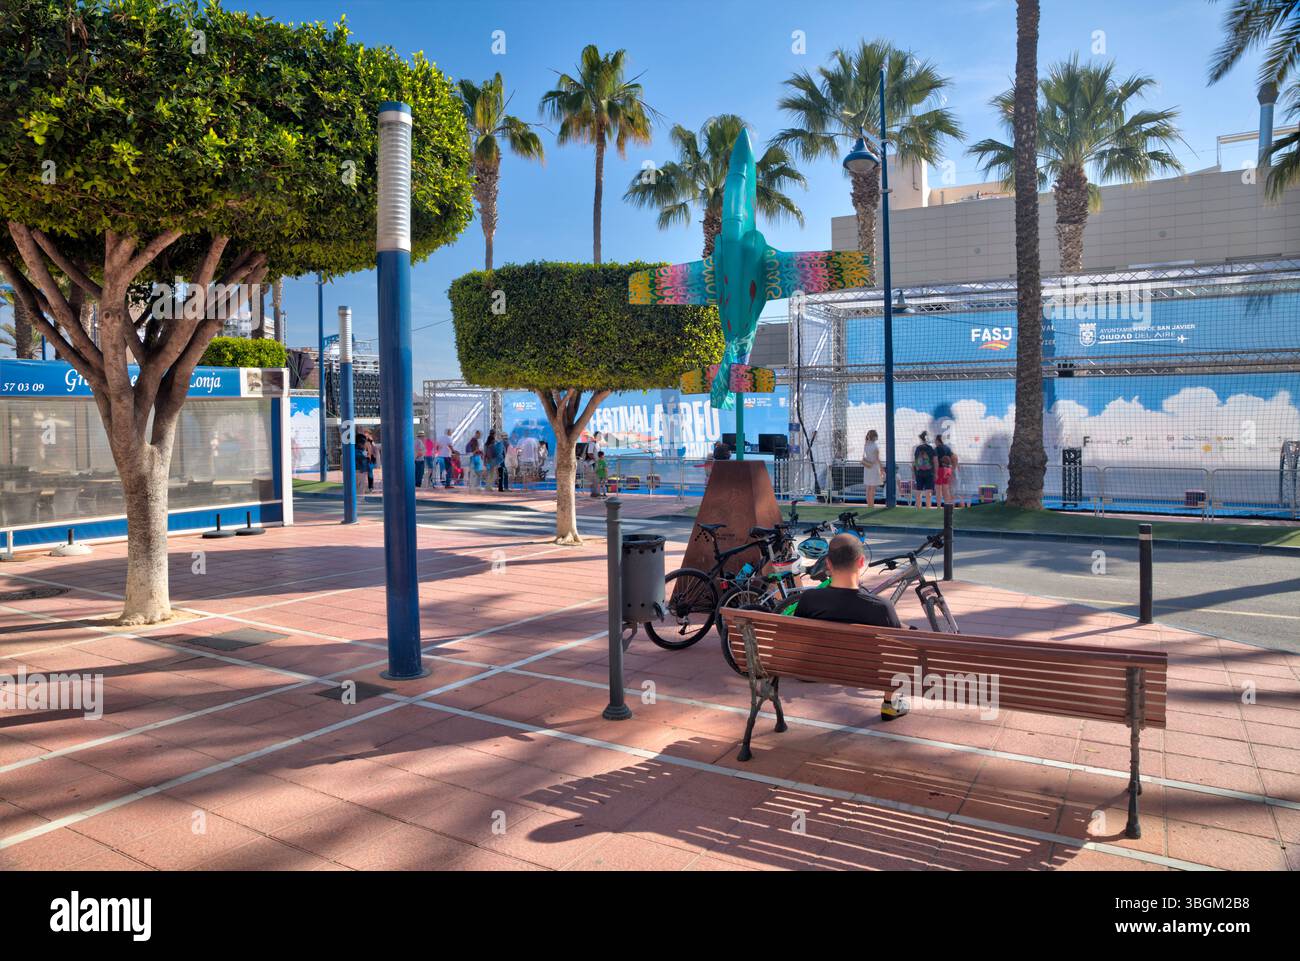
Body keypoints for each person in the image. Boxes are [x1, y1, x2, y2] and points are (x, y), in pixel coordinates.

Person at [791, 533, 908, 719]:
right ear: (861, 562)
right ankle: (890, 704)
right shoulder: (881, 608)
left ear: (828, 563)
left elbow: (797, 638)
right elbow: (896, 652)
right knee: (900, 644)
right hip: (868, 674)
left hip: (817, 669)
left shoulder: (809, 599)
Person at [912, 430, 936, 509]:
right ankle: (928, 508)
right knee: (928, 491)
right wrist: (935, 473)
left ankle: (918, 508)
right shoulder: (931, 448)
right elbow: (935, 461)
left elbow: (914, 462)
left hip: (919, 472)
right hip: (929, 472)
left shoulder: (917, 448)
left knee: (919, 491)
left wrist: (914, 473)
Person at [861, 429, 882, 507]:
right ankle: (871, 505)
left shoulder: (866, 444)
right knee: (873, 489)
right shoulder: (875, 446)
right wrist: (882, 469)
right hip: (874, 468)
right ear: (875, 437)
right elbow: (877, 459)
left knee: (868, 488)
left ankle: (869, 505)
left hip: (867, 468)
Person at [934, 433, 955, 507]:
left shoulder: (936, 449)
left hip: (940, 469)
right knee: (946, 489)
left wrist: (935, 472)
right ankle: (947, 506)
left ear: (937, 440)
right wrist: (952, 468)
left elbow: (936, 461)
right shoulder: (948, 448)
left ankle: (939, 507)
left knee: (938, 489)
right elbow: (954, 458)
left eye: (935, 440)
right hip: (948, 469)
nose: (934, 442)